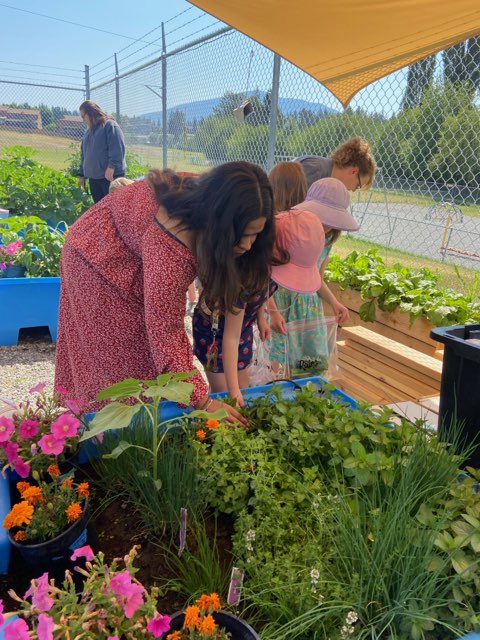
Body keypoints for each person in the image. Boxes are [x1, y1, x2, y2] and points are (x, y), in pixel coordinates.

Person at [55, 161, 278, 424]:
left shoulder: (210, 199)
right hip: (95, 258)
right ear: (222, 224)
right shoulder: (173, 245)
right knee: (119, 362)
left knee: (150, 359)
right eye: (243, 234)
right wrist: (204, 401)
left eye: (256, 234)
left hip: (133, 249)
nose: (249, 244)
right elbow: (165, 331)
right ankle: (104, 429)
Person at [192, 209, 323, 406]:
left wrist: (262, 317)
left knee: (241, 389)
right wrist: (234, 391)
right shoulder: (244, 277)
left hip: (242, 328)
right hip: (215, 335)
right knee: (225, 395)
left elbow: (263, 295)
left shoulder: (268, 268)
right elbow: (230, 338)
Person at [268, 178, 359, 375]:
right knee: (276, 362)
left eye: (331, 221)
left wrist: (334, 302)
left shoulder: (327, 241)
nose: (326, 226)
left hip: (308, 310)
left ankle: (306, 393)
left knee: (309, 365)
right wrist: (272, 310)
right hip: (281, 305)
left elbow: (317, 278)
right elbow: (265, 275)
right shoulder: (288, 231)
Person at [77, 100, 126, 204]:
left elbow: (117, 147)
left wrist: (112, 166)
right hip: (94, 178)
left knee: (114, 208)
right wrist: (81, 174)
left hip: (110, 178)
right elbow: (84, 155)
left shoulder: (109, 125)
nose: (83, 120)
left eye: (83, 116)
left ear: (91, 112)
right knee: (100, 210)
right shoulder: (89, 132)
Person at [296, 136, 377, 190]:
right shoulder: (315, 169)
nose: (353, 190)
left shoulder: (327, 178)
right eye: (357, 186)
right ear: (354, 171)